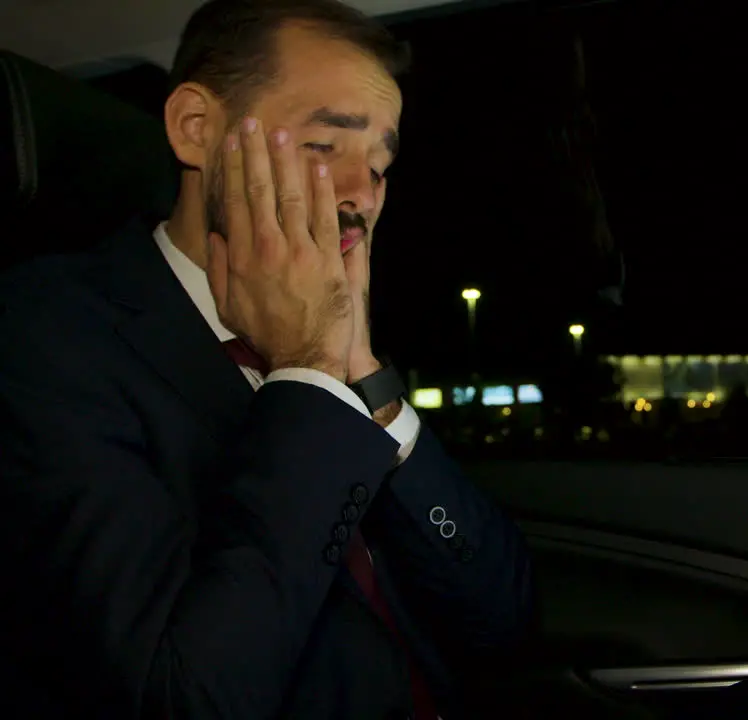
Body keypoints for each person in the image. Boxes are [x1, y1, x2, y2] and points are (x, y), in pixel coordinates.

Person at [0, 1, 533, 718]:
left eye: (380, 165)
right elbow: (184, 695)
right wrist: (309, 368)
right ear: (197, 129)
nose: (363, 196)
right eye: (324, 148)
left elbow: (503, 625)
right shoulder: (47, 332)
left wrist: (360, 373)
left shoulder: (350, 356)